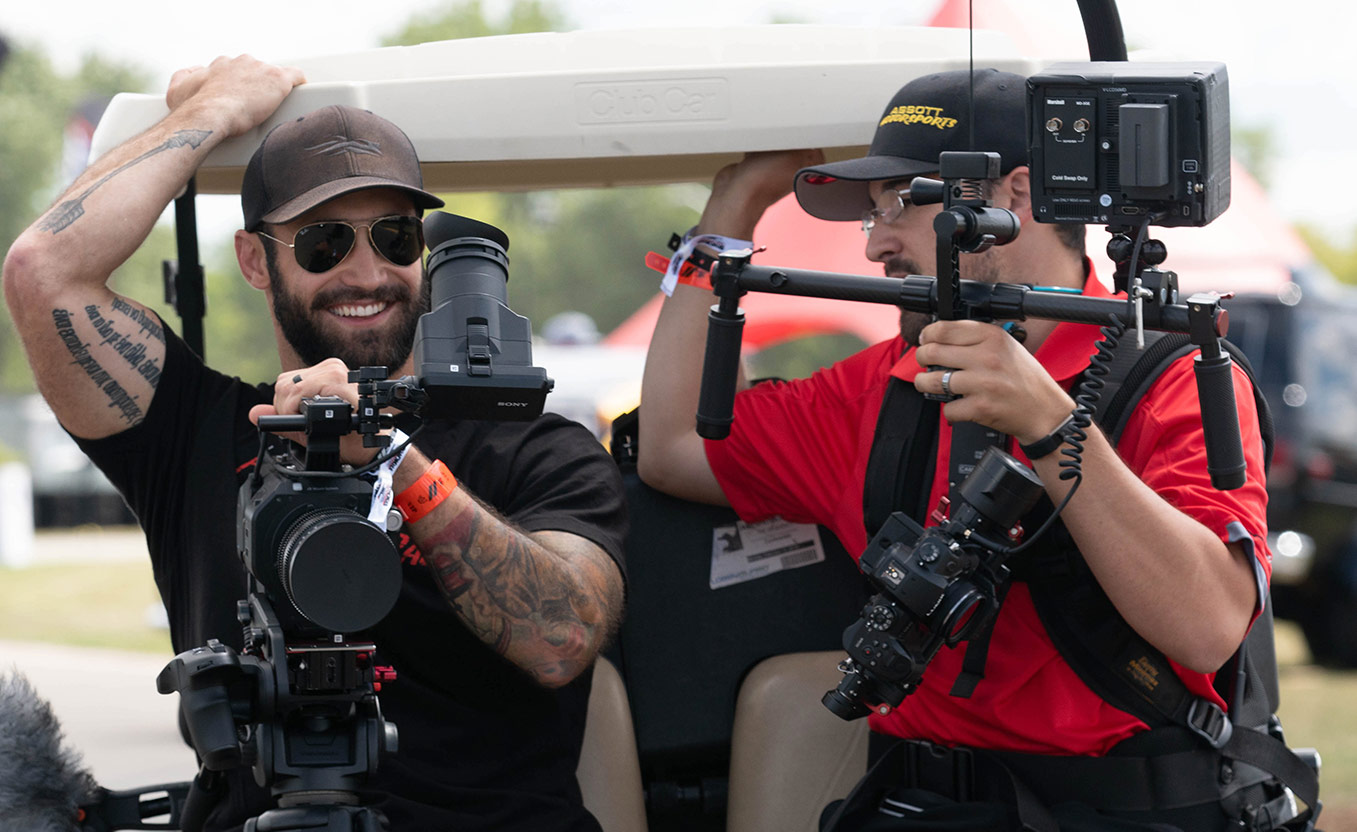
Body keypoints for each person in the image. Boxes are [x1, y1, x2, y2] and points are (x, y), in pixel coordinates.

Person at [3, 55, 627, 832]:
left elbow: (561, 640)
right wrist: (218, 109)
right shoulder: (197, 432)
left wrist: (393, 457)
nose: (367, 270)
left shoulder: (535, 448)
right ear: (256, 261)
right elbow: (42, 273)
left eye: (395, 237)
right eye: (324, 242)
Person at [638, 68, 1274, 830]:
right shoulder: (882, 387)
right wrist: (729, 207)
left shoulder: (1170, 373)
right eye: (870, 215)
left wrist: (1049, 423)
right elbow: (671, 447)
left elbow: (1208, 627)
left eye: (904, 201)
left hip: (1123, 807)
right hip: (916, 803)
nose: (876, 244)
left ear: (1016, 193)